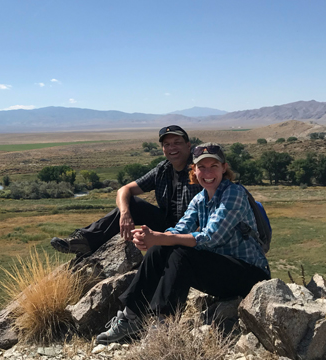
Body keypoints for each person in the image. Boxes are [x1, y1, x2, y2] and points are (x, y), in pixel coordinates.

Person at [95, 143, 271, 344]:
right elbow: (179, 230)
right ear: (194, 170)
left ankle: (164, 324)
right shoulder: (199, 199)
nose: (207, 172)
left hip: (251, 275)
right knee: (163, 246)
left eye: (213, 165)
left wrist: (161, 237)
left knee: (181, 252)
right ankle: (131, 317)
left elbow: (211, 238)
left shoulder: (234, 194)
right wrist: (151, 238)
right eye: (201, 167)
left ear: (224, 167)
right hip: (222, 271)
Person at [51, 125, 203, 256]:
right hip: (167, 223)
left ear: (188, 145)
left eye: (177, 143)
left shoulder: (200, 170)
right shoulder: (162, 170)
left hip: (193, 230)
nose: (172, 148)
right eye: (167, 144)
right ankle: (84, 243)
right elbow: (124, 190)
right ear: (163, 149)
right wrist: (125, 214)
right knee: (130, 203)